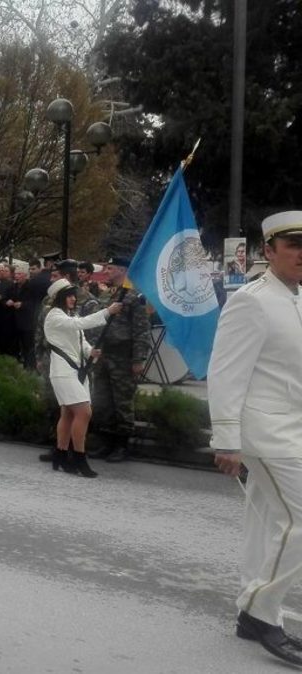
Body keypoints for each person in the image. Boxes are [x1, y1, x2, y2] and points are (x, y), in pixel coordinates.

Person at [209, 211, 302, 667]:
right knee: (299, 522)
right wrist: (226, 439)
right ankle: (264, 613)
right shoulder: (252, 300)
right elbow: (226, 372)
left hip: (293, 428)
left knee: (267, 523)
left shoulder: (298, 298)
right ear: (269, 250)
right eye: (293, 245)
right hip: (264, 432)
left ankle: (251, 614)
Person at [43, 278, 122, 477]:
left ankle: (60, 455)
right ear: (60, 298)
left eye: (73, 296)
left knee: (69, 413)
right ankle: (79, 457)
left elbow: (80, 339)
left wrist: (89, 352)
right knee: (84, 412)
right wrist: (107, 312)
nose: (73, 299)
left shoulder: (69, 314)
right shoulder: (54, 315)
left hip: (77, 371)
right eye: (69, 296)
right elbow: (80, 324)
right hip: (63, 371)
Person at [89, 256, 151, 463]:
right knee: (102, 400)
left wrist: (138, 359)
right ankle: (105, 442)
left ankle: (122, 446)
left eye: (110, 268)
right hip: (105, 354)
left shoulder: (135, 297)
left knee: (123, 402)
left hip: (123, 357)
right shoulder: (108, 295)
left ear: (122, 270)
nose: (106, 271)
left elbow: (142, 330)